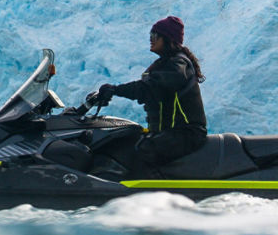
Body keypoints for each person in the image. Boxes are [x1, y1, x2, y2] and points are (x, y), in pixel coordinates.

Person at [89, 15, 207, 174]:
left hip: (185, 133)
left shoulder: (178, 64)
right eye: (150, 35)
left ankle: (143, 194)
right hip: (171, 132)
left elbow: (149, 88)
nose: (151, 39)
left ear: (167, 38)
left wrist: (116, 90)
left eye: (155, 35)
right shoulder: (165, 63)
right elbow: (147, 88)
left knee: (142, 152)